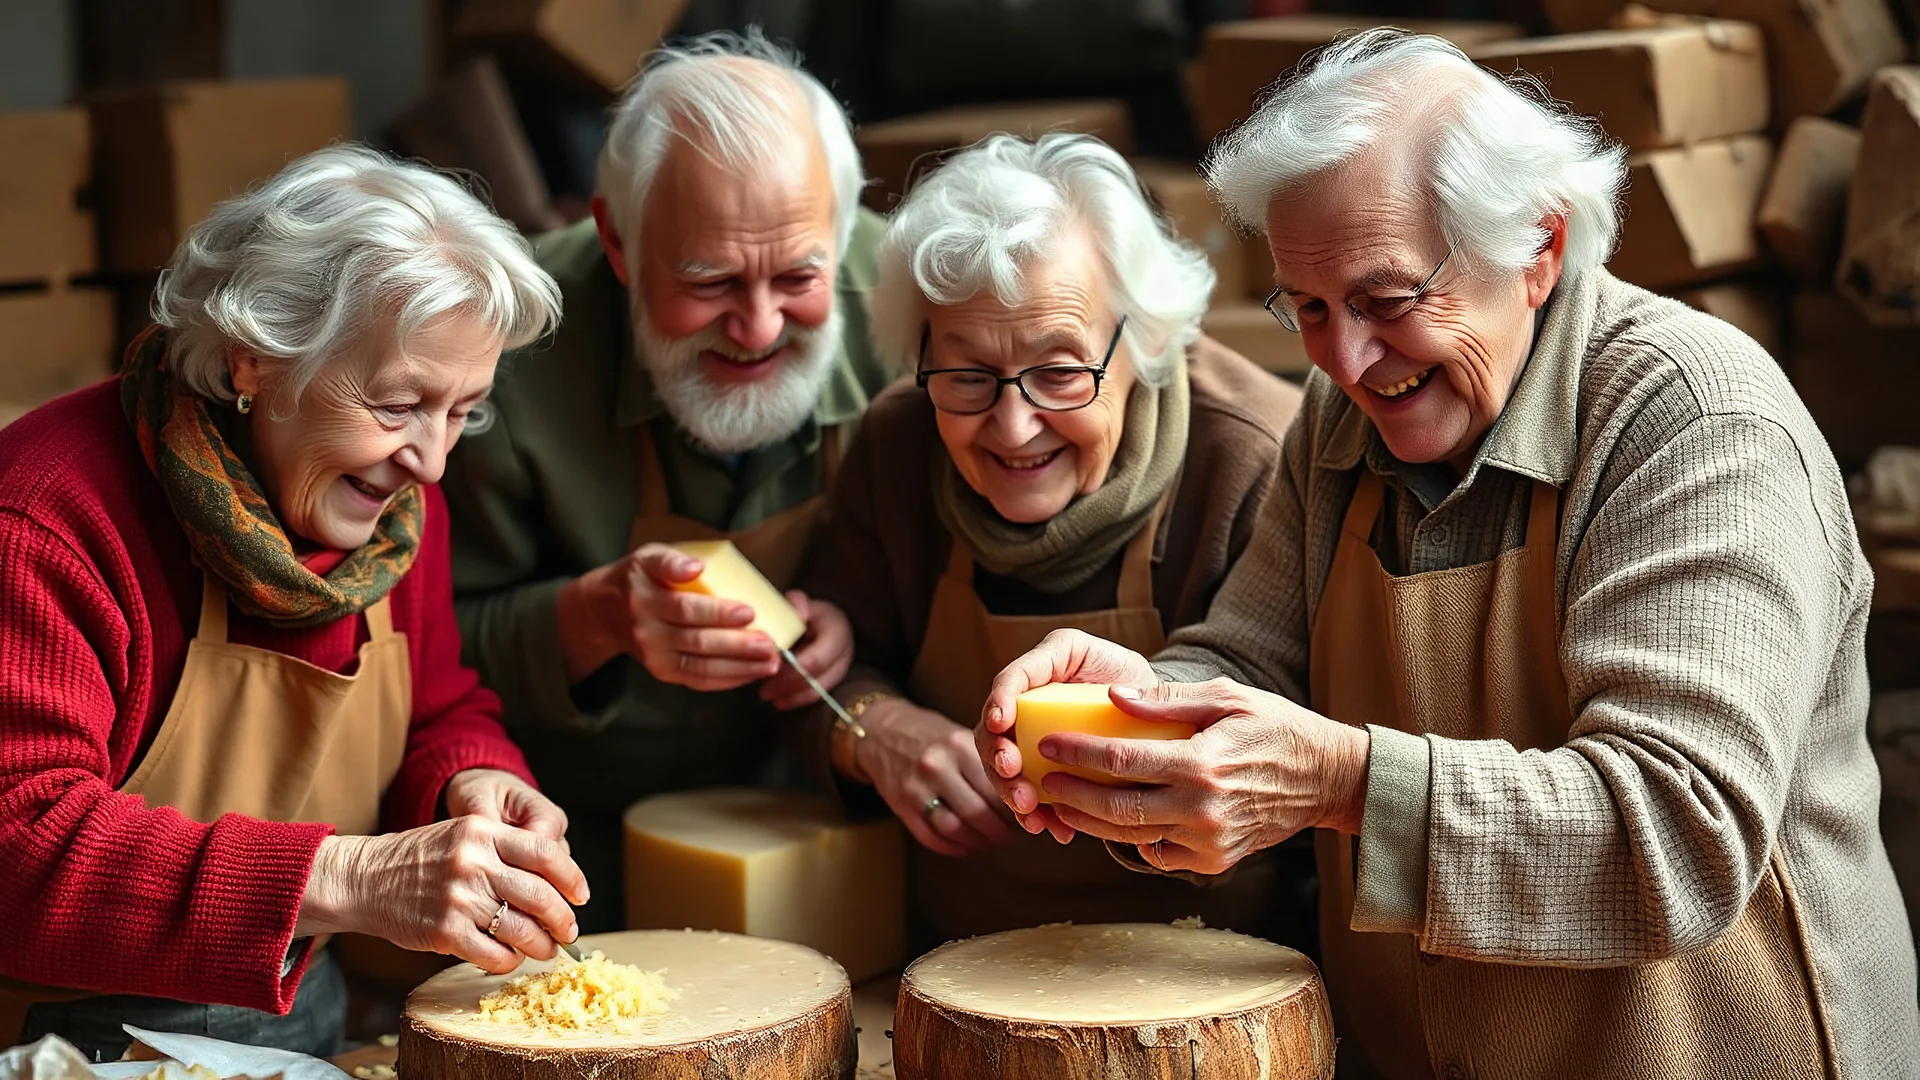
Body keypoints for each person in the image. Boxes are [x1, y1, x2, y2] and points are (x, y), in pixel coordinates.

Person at [977, 30, 1920, 1079]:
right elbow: (1248, 660)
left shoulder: (1696, 424)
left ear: (1538, 249)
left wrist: (1337, 782)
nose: (1344, 359)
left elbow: (1676, 837)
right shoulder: (1339, 425)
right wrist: (1143, 712)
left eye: (1387, 300)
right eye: (1311, 309)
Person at [0, 146, 581, 1059]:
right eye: (397, 405)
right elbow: (18, 846)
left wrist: (472, 779)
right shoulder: (47, 520)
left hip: (302, 1012)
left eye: (464, 411)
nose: (430, 462)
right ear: (254, 362)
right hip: (52, 1039)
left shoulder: (391, 513)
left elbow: (437, 704)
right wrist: (347, 875)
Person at [800, 133, 1304, 947]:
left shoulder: (1253, 459)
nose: (1013, 425)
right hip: (955, 961)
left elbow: (1310, 755)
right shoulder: (896, 446)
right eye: (966, 374)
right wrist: (871, 727)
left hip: (1219, 973)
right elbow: (819, 663)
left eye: (1060, 371)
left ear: (1144, 342)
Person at [443, 31, 888, 932]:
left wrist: (865, 639)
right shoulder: (505, 352)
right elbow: (419, 662)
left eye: (800, 275)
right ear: (616, 239)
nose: (759, 328)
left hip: (836, 849)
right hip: (569, 876)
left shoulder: (911, 299)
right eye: (710, 280)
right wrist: (592, 618)